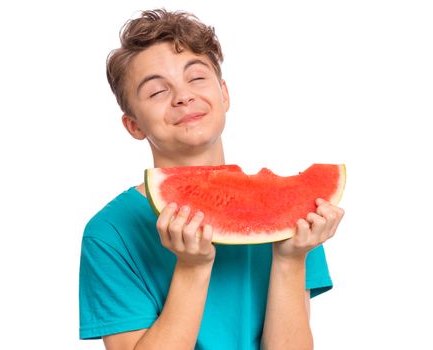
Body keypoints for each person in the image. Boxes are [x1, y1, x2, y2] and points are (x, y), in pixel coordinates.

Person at [79, 8, 345, 350]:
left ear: (224, 94)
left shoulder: (295, 213)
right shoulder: (110, 233)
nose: (183, 96)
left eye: (197, 78)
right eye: (158, 91)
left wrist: (291, 258)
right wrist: (192, 267)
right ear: (134, 125)